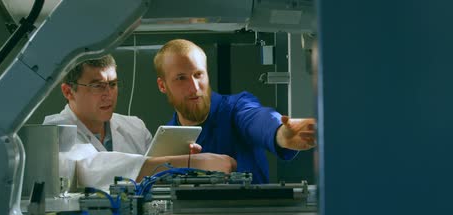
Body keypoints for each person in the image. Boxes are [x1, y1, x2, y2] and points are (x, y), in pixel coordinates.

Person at [44, 55, 236, 189]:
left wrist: (178, 164)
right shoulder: (55, 129)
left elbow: (153, 176)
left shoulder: (134, 126)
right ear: (68, 92)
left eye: (112, 84)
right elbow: (90, 169)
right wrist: (185, 163)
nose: (108, 94)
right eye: (97, 86)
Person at [154, 39, 316, 184]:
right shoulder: (167, 142)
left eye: (198, 75)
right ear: (162, 85)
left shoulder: (236, 108)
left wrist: (280, 133)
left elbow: (257, 118)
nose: (194, 87)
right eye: (181, 78)